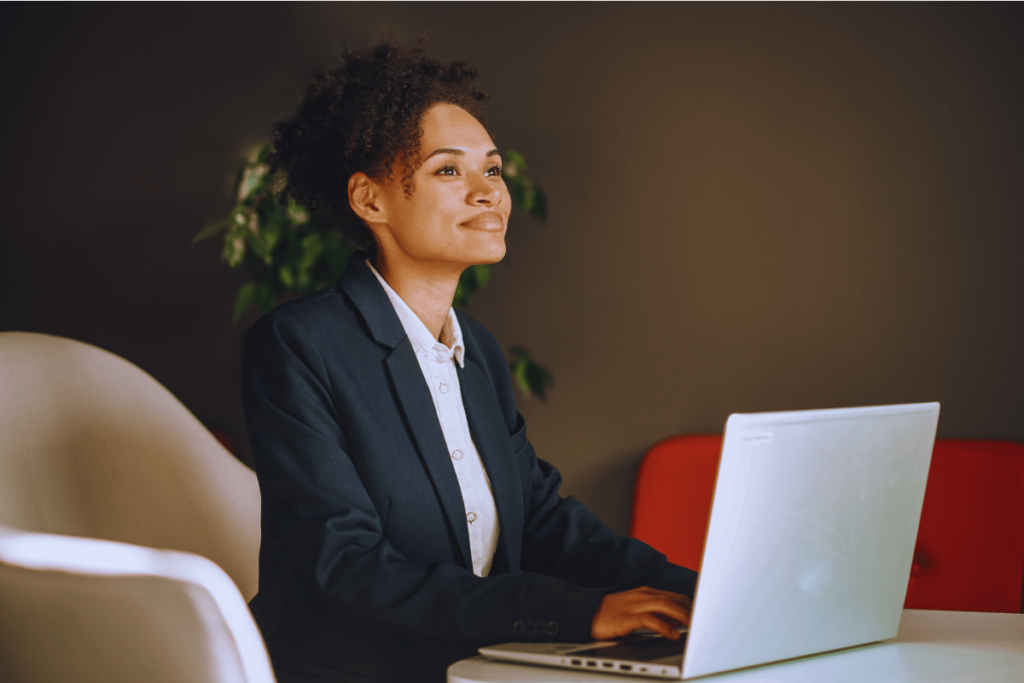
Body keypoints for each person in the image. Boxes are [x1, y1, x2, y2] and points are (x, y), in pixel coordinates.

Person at [241, 39, 697, 683]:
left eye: (494, 168)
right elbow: (347, 562)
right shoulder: (297, 344)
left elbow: (541, 520)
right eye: (449, 172)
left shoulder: (476, 349)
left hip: (476, 666)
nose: (488, 193)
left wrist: (696, 594)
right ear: (370, 200)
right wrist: (580, 612)